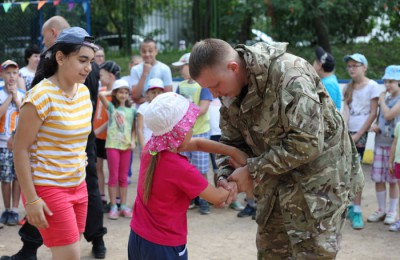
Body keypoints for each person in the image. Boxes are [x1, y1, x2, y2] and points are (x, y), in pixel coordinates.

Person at [189, 39, 364, 259]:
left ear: (233, 68)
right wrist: (227, 175)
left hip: (317, 188)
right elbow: (231, 142)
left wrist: (252, 170)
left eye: (215, 85)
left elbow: (307, 142)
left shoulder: (290, 75)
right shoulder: (229, 92)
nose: (214, 94)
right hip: (274, 187)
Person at [1, 16, 107, 260]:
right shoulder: (40, 97)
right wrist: (31, 199)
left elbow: (80, 143)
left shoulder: (82, 92)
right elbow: (20, 149)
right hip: (49, 188)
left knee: (68, 252)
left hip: (78, 187)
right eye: (82, 60)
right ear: (60, 58)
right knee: (70, 256)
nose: (88, 68)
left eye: (90, 61)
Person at [128, 92, 247, 260]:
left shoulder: (152, 148)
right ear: (179, 133)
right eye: (189, 127)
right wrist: (237, 179)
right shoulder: (180, 168)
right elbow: (219, 198)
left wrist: (232, 150)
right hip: (164, 246)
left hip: (138, 237)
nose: (192, 129)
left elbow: (198, 143)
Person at [343, 53, 382, 230]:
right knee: (346, 171)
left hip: (361, 134)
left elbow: (373, 113)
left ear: (364, 67)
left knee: (356, 171)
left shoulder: (373, 86)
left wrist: (359, 134)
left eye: (355, 65)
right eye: (349, 66)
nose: (352, 68)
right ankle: (349, 206)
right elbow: (346, 110)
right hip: (348, 133)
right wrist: (343, 130)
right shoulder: (348, 88)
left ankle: (357, 210)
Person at [173, 53, 214, 215]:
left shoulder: (203, 85)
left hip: (200, 132)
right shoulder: (181, 85)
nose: (180, 71)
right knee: (186, 167)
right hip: (183, 134)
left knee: (202, 168)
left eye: (182, 67)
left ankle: (204, 199)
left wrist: (184, 112)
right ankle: (190, 197)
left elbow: (203, 109)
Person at [98, 79, 136, 220]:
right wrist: (111, 91)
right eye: (120, 92)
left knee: (123, 177)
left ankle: (124, 206)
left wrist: (133, 141)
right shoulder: (112, 108)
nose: (123, 95)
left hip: (126, 146)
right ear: (115, 93)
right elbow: (101, 96)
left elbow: (133, 128)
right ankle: (113, 205)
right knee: (113, 177)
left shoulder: (132, 110)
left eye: (126, 92)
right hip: (113, 145)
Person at [94, 60, 121, 211]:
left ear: (111, 76)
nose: (99, 77)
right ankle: (102, 197)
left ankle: (115, 199)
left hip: (109, 137)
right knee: (98, 166)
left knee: (113, 169)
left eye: (102, 75)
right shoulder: (102, 90)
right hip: (98, 137)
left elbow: (113, 118)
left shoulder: (117, 95)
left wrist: (97, 131)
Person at [0, 60, 24, 227]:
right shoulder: (0, 93)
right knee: (5, 178)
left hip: (19, 145)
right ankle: (6, 209)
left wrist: (16, 98)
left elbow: (26, 115)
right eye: (8, 73)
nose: (11, 76)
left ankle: (15, 210)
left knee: (18, 178)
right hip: (2, 144)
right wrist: (9, 97)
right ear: (2, 75)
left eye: (14, 73)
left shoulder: (23, 94)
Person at [130, 39, 173, 104]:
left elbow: (168, 95)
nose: (147, 54)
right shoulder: (135, 69)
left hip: (160, 106)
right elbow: (135, 97)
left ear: (156, 51)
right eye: (144, 51)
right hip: (141, 109)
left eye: (150, 51)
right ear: (140, 52)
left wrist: (147, 99)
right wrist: (144, 74)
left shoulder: (165, 69)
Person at [137, 78, 165, 149]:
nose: (156, 95)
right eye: (153, 92)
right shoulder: (143, 108)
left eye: (159, 92)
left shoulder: (165, 107)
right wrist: (144, 147)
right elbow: (140, 129)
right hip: (147, 143)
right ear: (147, 93)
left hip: (161, 145)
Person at [313, 46, 342, 110]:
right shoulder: (330, 80)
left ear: (319, 65)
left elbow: (325, 110)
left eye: (315, 60)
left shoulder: (327, 84)